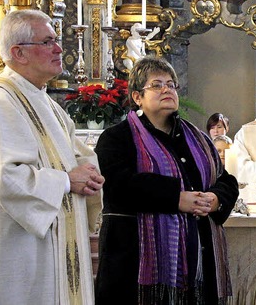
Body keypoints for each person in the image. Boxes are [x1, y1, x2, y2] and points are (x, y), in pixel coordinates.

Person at [94, 56, 239, 304]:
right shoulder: (116, 138)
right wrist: (176, 199)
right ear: (138, 97)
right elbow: (118, 186)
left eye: (171, 84)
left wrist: (215, 199)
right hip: (136, 261)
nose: (167, 90)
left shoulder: (198, 139)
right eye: (157, 84)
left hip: (197, 258)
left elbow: (225, 180)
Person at [0, 9, 104, 304]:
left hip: (59, 242)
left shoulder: (46, 102)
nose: (59, 49)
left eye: (56, 40)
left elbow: (76, 157)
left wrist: (89, 174)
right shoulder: (2, 102)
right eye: (47, 42)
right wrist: (68, 181)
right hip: (26, 249)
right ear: (18, 53)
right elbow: (8, 178)